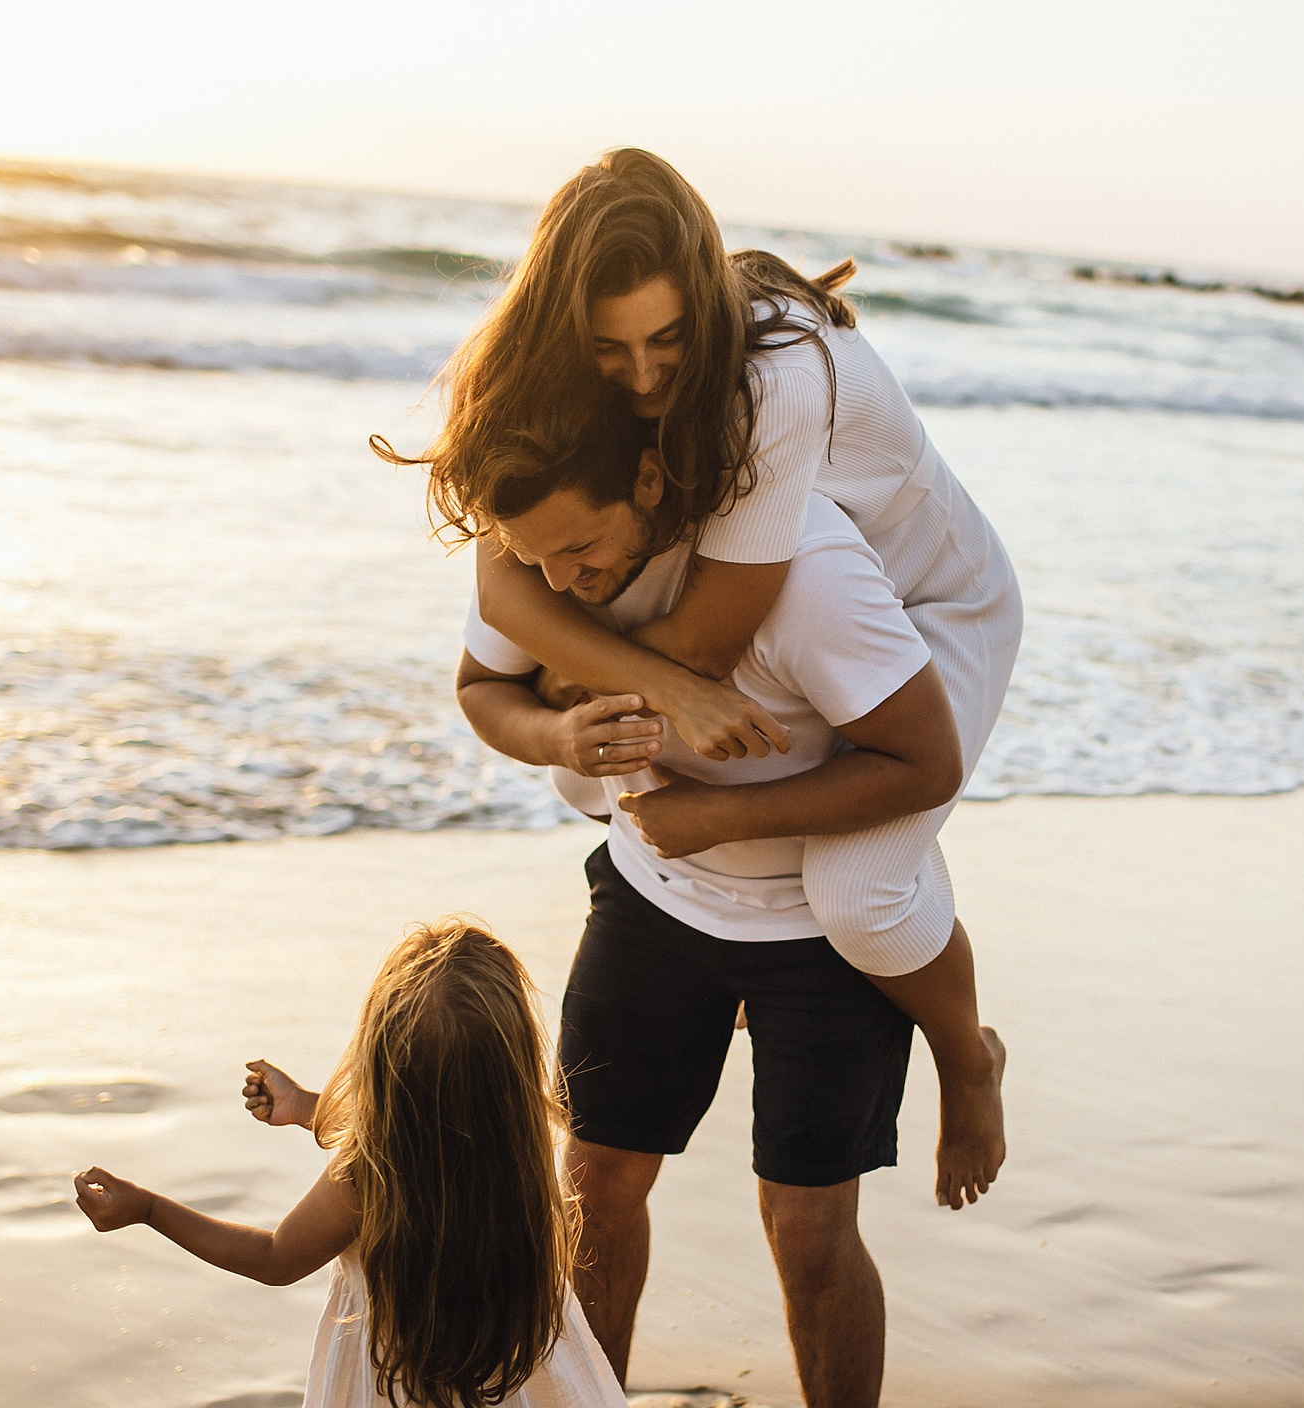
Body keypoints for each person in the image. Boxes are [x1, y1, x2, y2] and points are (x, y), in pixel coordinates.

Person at [396, 146, 1022, 1214]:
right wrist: (565, 723)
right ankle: (727, 950)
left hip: (933, 598)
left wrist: (582, 695)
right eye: (609, 350)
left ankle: (965, 1053)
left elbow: (710, 638)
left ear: (704, 302)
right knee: (586, 777)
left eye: (667, 340)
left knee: (857, 893)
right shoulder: (512, 374)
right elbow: (506, 595)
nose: (642, 379)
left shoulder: (768, 379)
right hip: (818, 595)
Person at [451, 411, 975, 1408]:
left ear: (651, 479)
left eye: (586, 553)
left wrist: (725, 816)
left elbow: (924, 762)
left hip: (819, 929)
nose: (564, 586)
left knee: (805, 1222)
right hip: (653, 899)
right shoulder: (547, 555)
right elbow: (485, 687)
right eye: (539, 564)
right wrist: (554, 729)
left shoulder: (809, 584)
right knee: (596, 1177)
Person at [70, 921, 649, 1408]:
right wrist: (307, 1106)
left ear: (383, 1060)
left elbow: (276, 1256)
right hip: (479, 1397)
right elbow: (428, 1128)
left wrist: (149, 1209)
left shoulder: (367, 1173)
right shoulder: (511, 1156)